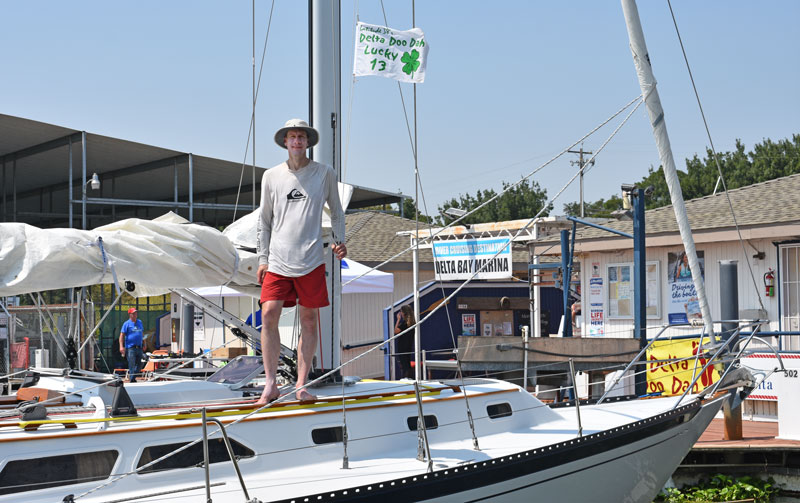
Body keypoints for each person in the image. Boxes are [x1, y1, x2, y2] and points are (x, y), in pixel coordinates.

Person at [255, 118, 346, 405]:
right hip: (278, 260)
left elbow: (338, 212)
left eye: (301, 137)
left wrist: (339, 239)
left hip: (312, 258)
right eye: (292, 137)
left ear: (308, 142)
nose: (297, 142)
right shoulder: (271, 176)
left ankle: (301, 385)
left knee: (309, 319)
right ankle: (270, 384)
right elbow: (264, 220)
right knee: (268, 314)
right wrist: (262, 258)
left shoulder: (324, 173)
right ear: (285, 142)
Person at [119, 307, 144, 383]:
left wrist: (144, 343)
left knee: (141, 363)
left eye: (136, 313)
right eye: (133, 313)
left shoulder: (140, 322)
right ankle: (132, 379)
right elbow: (122, 335)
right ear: (130, 315)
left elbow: (142, 334)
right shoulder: (126, 324)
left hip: (139, 347)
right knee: (131, 364)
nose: (135, 314)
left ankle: (133, 377)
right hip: (130, 348)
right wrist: (121, 346)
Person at [394, 305, 415, 379]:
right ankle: (409, 378)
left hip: (402, 347)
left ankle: (406, 378)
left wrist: (398, 319)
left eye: (401, 311)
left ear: (404, 313)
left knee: (404, 365)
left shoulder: (404, 323)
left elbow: (396, 331)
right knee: (407, 364)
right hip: (408, 346)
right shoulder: (412, 322)